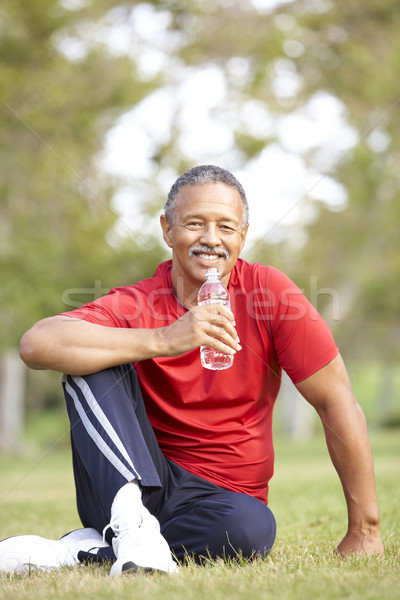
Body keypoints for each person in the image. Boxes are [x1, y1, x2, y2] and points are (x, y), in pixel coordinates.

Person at [0, 165, 383, 576]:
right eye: (195, 224)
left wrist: (365, 529)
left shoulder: (271, 293)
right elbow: (37, 343)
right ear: (167, 230)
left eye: (226, 226)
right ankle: (129, 525)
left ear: (243, 235)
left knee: (251, 530)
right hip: (132, 485)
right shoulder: (137, 303)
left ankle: (85, 552)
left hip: (223, 500)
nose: (211, 239)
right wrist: (166, 338)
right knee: (87, 352)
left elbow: (335, 400)